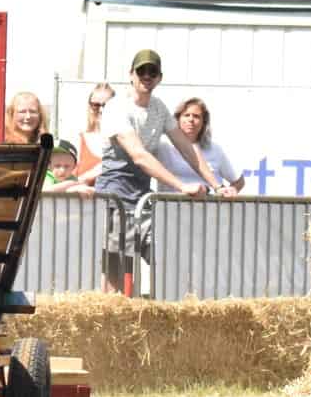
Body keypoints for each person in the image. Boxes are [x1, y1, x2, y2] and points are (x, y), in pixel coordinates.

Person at [96, 50, 226, 293]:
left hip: (142, 199)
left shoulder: (159, 108)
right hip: (115, 198)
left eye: (152, 72)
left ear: (159, 77)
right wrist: (182, 186)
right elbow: (139, 156)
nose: (146, 76)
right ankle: (113, 318)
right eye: (141, 71)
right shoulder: (117, 108)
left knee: (165, 254)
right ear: (131, 75)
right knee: (116, 272)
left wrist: (218, 186)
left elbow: (187, 148)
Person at [165, 97, 244, 195]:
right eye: (186, 115)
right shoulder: (165, 147)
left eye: (196, 116)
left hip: (210, 209)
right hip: (171, 208)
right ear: (178, 119)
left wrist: (231, 191)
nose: (191, 119)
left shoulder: (214, 149)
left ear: (204, 122)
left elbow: (239, 181)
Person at [74, 83, 117, 186]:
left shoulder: (125, 141)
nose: (101, 110)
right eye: (96, 105)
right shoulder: (79, 140)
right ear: (89, 106)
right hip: (83, 201)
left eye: (106, 105)